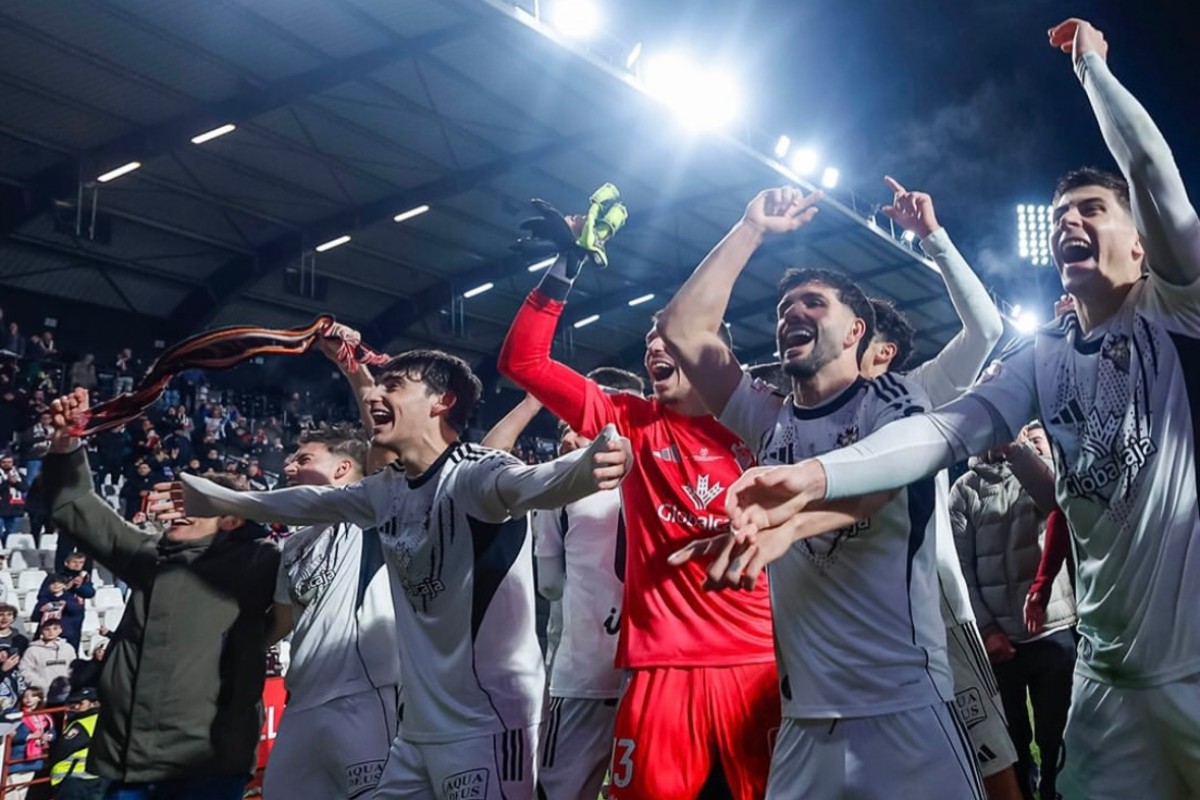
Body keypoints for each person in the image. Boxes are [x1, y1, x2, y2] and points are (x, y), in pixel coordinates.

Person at [715, 19, 1200, 799]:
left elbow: (1150, 170)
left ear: (1141, 245)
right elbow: (946, 430)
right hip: (1108, 686)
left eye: (1092, 211)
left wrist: (1092, 73)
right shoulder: (1042, 359)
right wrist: (810, 476)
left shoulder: (1180, 313)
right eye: (1061, 214)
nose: (1070, 222)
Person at [152, 348, 632, 800]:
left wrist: (599, 459)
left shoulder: (477, 473)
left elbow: (537, 483)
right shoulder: (386, 491)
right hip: (416, 732)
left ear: (441, 403)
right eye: (376, 386)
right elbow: (307, 502)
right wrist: (216, 499)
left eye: (394, 387)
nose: (373, 396)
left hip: (488, 724)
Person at [658, 186, 983, 798]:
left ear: (856, 329)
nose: (791, 314)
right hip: (804, 723)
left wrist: (791, 520)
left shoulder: (896, 400)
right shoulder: (768, 417)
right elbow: (680, 327)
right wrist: (749, 229)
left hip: (905, 710)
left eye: (813, 302)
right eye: (783, 308)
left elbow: (879, 488)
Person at [499, 211, 777, 800]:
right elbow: (523, 363)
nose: (655, 345)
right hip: (660, 672)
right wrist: (567, 264)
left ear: (714, 356)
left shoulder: (765, 424)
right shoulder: (633, 419)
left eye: (669, 339)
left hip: (757, 664)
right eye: (650, 340)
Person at [858, 180, 1021, 798]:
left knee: (987, 755)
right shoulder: (809, 417)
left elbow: (985, 327)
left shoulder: (918, 392)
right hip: (855, 629)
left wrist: (933, 238)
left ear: (883, 350)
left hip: (936, 616)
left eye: (856, 328)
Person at [42, 387, 281, 800]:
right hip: (126, 764)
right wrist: (67, 442)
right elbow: (76, 505)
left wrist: (249, 507)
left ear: (231, 520)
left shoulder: (260, 562)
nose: (176, 506)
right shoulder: (151, 554)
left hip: (207, 767)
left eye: (195, 501)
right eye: (178, 496)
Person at [260, 424, 401, 800]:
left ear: (342, 469)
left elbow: (388, 456)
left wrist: (354, 374)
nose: (289, 467)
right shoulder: (294, 543)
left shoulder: (373, 514)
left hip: (364, 696)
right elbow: (283, 620)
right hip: (302, 698)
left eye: (304, 459)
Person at [951, 423, 1077, 800]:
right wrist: (986, 629)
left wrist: (1018, 452)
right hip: (999, 644)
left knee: (1058, 735)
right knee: (1011, 742)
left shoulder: (1037, 469)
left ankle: (1058, 792)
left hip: (1053, 630)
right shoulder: (965, 490)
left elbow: (1059, 501)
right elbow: (959, 569)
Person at [48, 687, 107, 800]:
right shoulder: (107, 719)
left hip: (74, 779)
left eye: (80, 703)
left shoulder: (83, 723)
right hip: (98, 777)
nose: (75, 706)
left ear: (95, 703)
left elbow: (62, 749)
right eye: (74, 703)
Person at [20, 619, 75, 704]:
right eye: (47, 629)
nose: (51, 632)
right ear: (41, 631)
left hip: (66, 694)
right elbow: (25, 671)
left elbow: (73, 668)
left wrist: (68, 685)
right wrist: (42, 685)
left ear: (60, 630)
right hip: (44, 695)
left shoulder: (68, 648)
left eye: (55, 628)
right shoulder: (32, 650)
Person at [31, 575, 87, 653]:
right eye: (53, 584)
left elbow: (77, 611)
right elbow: (34, 618)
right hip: (46, 637)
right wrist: (41, 610)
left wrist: (66, 605)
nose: (56, 585)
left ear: (65, 585)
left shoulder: (70, 599)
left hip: (65, 636)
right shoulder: (44, 600)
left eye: (59, 583)